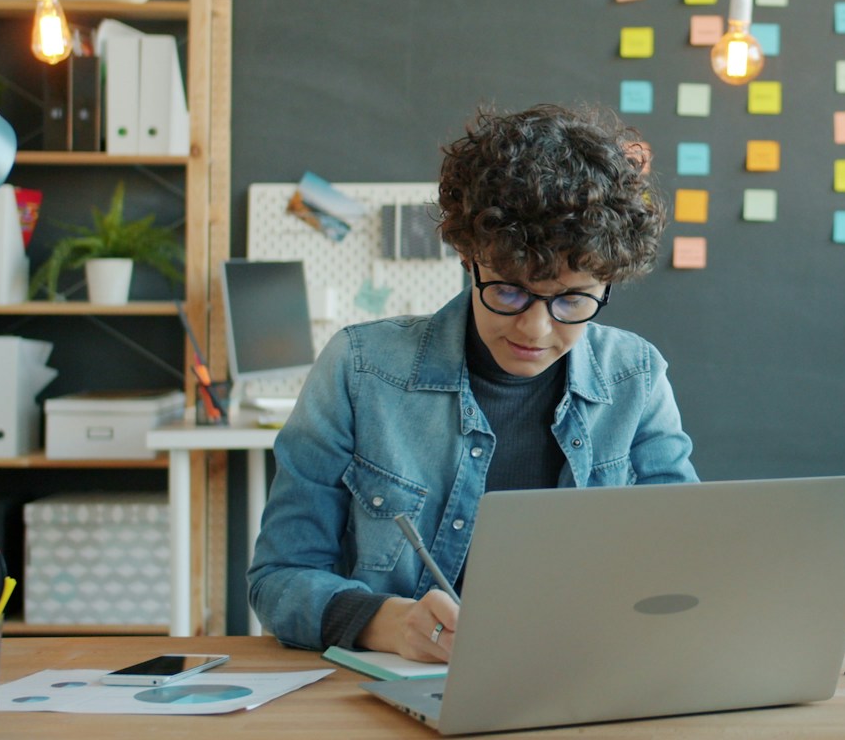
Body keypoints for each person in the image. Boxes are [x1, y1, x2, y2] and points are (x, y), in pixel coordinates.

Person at [247, 104, 697, 659]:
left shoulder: (637, 377)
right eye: (508, 291)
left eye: (573, 300)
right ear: (469, 256)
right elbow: (279, 577)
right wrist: (388, 624)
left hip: (582, 668)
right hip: (402, 686)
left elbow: (684, 563)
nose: (536, 328)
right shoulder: (361, 367)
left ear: (606, 285)